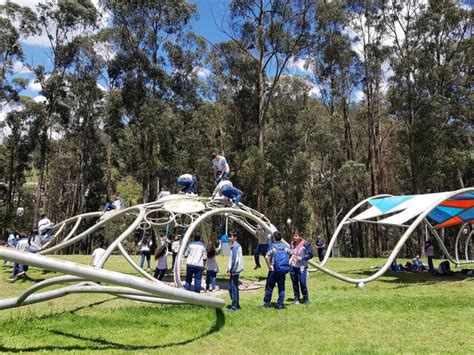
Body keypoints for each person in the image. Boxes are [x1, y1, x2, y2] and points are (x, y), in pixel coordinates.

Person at [263, 231, 291, 309]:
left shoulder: (273, 246)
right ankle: (280, 304)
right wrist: (289, 262)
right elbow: (292, 253)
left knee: (269, 287)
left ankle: (267, 304)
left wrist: (269, 267)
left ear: (274, 238)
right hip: (282, 270)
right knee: (281, 288)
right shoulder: (285, 246)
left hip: (273, 270)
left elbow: (266, 257)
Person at [289, 231, 313, 305]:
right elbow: (291, 253)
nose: (294, 237)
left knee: (302, 283)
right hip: (293, 267)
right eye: (294, 236)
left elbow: (310, 254)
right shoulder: (292, 244)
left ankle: (305, 298)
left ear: (300, 236)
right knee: (295, 283)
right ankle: (296, 298)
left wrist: (302, 258)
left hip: (302, 267)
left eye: (296, 236)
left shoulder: (305, 244)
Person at [227, 231, 243, 312]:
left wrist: (231, 270)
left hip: (234, 271)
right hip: (234, 270)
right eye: (229, 236)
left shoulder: (236, 247)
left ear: (235, 237)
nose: (229, 238)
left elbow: (235, 260)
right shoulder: (234, 246)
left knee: (233, 288)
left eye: (231, 236)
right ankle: (236, 304)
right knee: (233, 287)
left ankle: (234, 306)